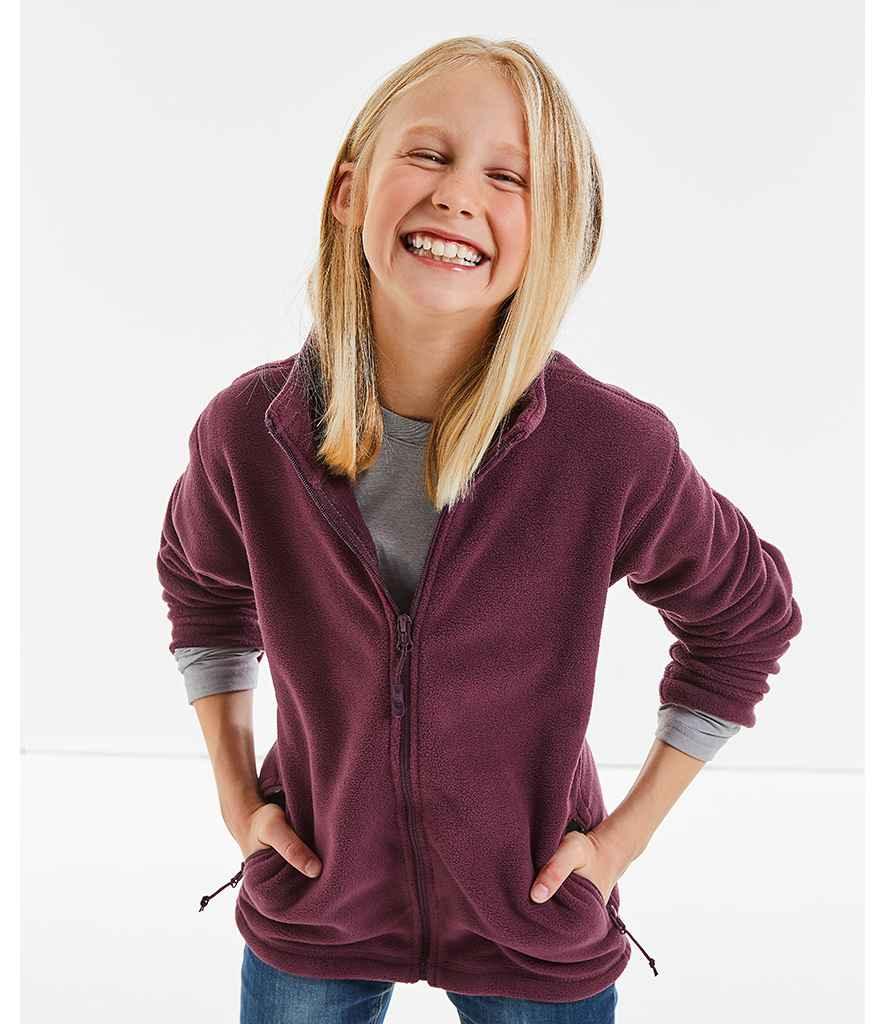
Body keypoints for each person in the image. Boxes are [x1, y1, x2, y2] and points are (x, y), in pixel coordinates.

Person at [156, 36, 802, 1024]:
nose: (459, 194)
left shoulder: (610, 448)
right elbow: (203, 590)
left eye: (510, 177)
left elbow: (746, 619)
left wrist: (620, 843)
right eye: (428, 154)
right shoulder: (249, 431)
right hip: (312, 901)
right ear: (348, 191)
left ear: (553, 232)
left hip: (533, 920)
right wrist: (235, 791)